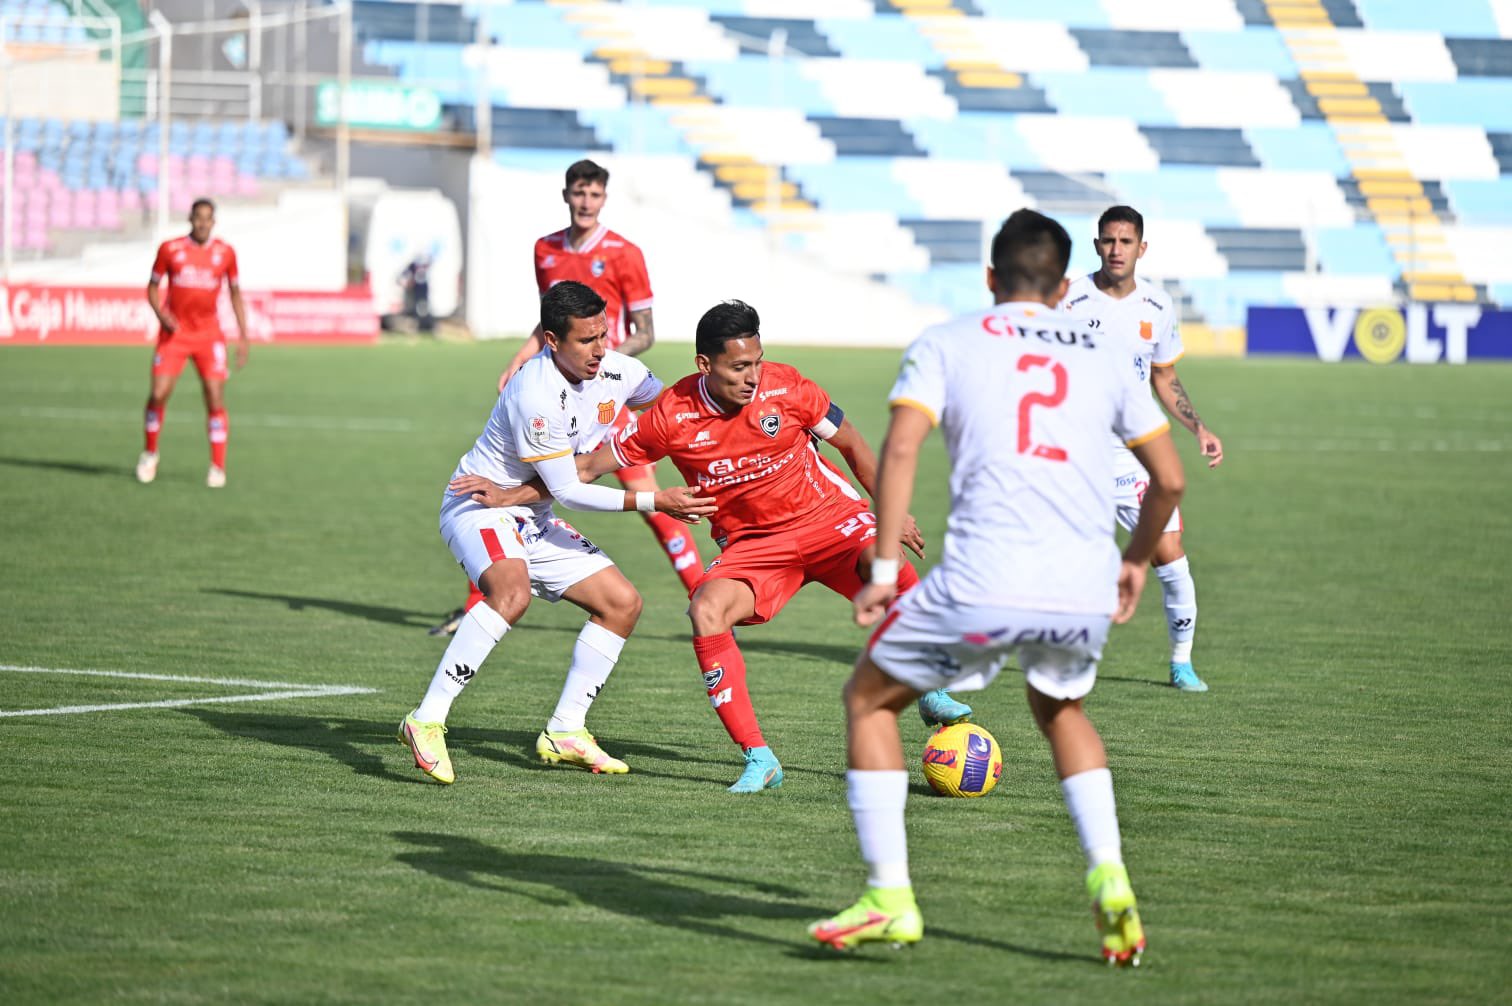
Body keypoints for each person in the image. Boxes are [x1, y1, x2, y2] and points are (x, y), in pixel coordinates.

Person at [808, 209, 1185, 967]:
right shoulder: (1108, 353)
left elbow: (903, 449)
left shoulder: (947, 340)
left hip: (982, 580)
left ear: (990, 279)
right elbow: (1169, 480)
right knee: (1061, 708)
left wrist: (884, 573)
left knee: (869, 700)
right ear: (1065, 284)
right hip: (1079, 585)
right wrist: (1136, 561)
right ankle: (1111, 878)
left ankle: (890, 897)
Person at [452, 299, 974, 794]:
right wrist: (510, 493)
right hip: (754, 545)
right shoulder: (670, 415)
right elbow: (584, 469)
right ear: (704, 364)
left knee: (884, 559)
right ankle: (759, 759)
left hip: (829, 517)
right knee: (706, 609)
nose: (752, 376)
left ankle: (925, 683)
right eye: (737, 367)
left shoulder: (788, 387)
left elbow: (853, 443)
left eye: (757, 362)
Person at [397, 281, 716, 785]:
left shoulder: (619, 370)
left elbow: (678, 411)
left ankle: (566, 730)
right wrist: (658, 500)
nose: (601, 349)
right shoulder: (535, 393)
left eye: (604, 335)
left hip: (529, 513)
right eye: (586, 340)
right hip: (479, 508)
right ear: (551, 339)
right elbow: (569, 489)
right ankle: (427, 719)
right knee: (511, 594)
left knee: (621, 603)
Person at [428, 159, 701, 636]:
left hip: (604, 398)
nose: (585, 202)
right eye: (579, 192)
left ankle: (702, 592)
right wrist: (519, 360)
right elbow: (550, 324)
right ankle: (482, 601)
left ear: (604, 199)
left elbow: (645, 332)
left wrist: (604, 364)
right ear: (567, 194)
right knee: (508, 487)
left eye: (594, 194)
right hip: (560, 391)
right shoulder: (546, 249)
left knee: (644, 497)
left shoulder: (625, 253)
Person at [1060, 205, 1224, 692]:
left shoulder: (1157, 306)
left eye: (1125, 242)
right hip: (1074, 450)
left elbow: (1164, 375)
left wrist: (1198, 428)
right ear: (1096, 246)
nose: (1116, 250)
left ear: (1141, 248)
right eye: (1108, 241)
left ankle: (1181, 662)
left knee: (1169, 555)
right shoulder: (1067, 298)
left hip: (1132, 450)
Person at [137, 198, 249, 489]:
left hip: (209, 335)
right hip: (174, 335)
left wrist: (244, 335)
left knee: (214, 396)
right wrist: (161, 315)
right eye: (198, 217)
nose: (202, 223)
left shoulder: (225, 253)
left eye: (207, 218)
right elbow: (152, 288)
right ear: (190, 218)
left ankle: (218, 466)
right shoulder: (170, 249)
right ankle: (150, 453)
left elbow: (236, 293)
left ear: (214, 222)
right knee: (159, 393)